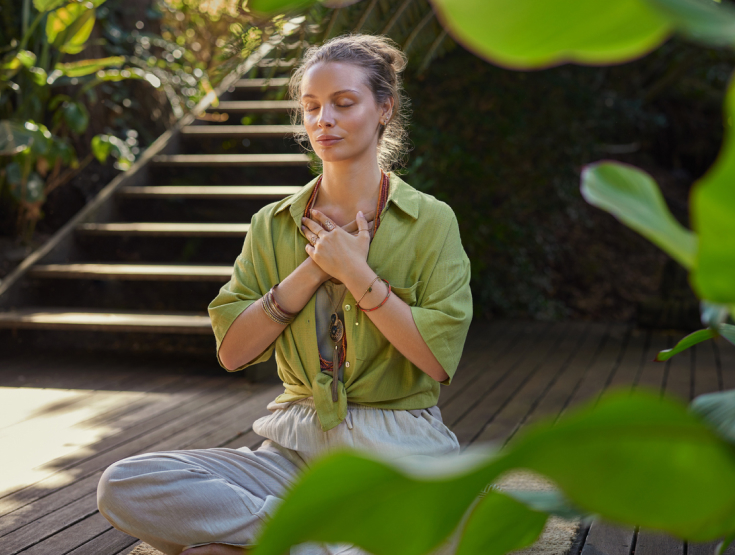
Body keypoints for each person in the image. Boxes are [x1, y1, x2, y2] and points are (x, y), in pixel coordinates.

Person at [97, 33, 473, 555]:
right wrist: (314, 270)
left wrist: (358, 274)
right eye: (312, 107)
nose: (324, 120)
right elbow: (233, 352)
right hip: (290, 454)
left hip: (398, 452)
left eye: (344, 104)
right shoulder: (270, 226)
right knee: (123, 484)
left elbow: (436, 360)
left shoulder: (431, 221)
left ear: (384, 108)